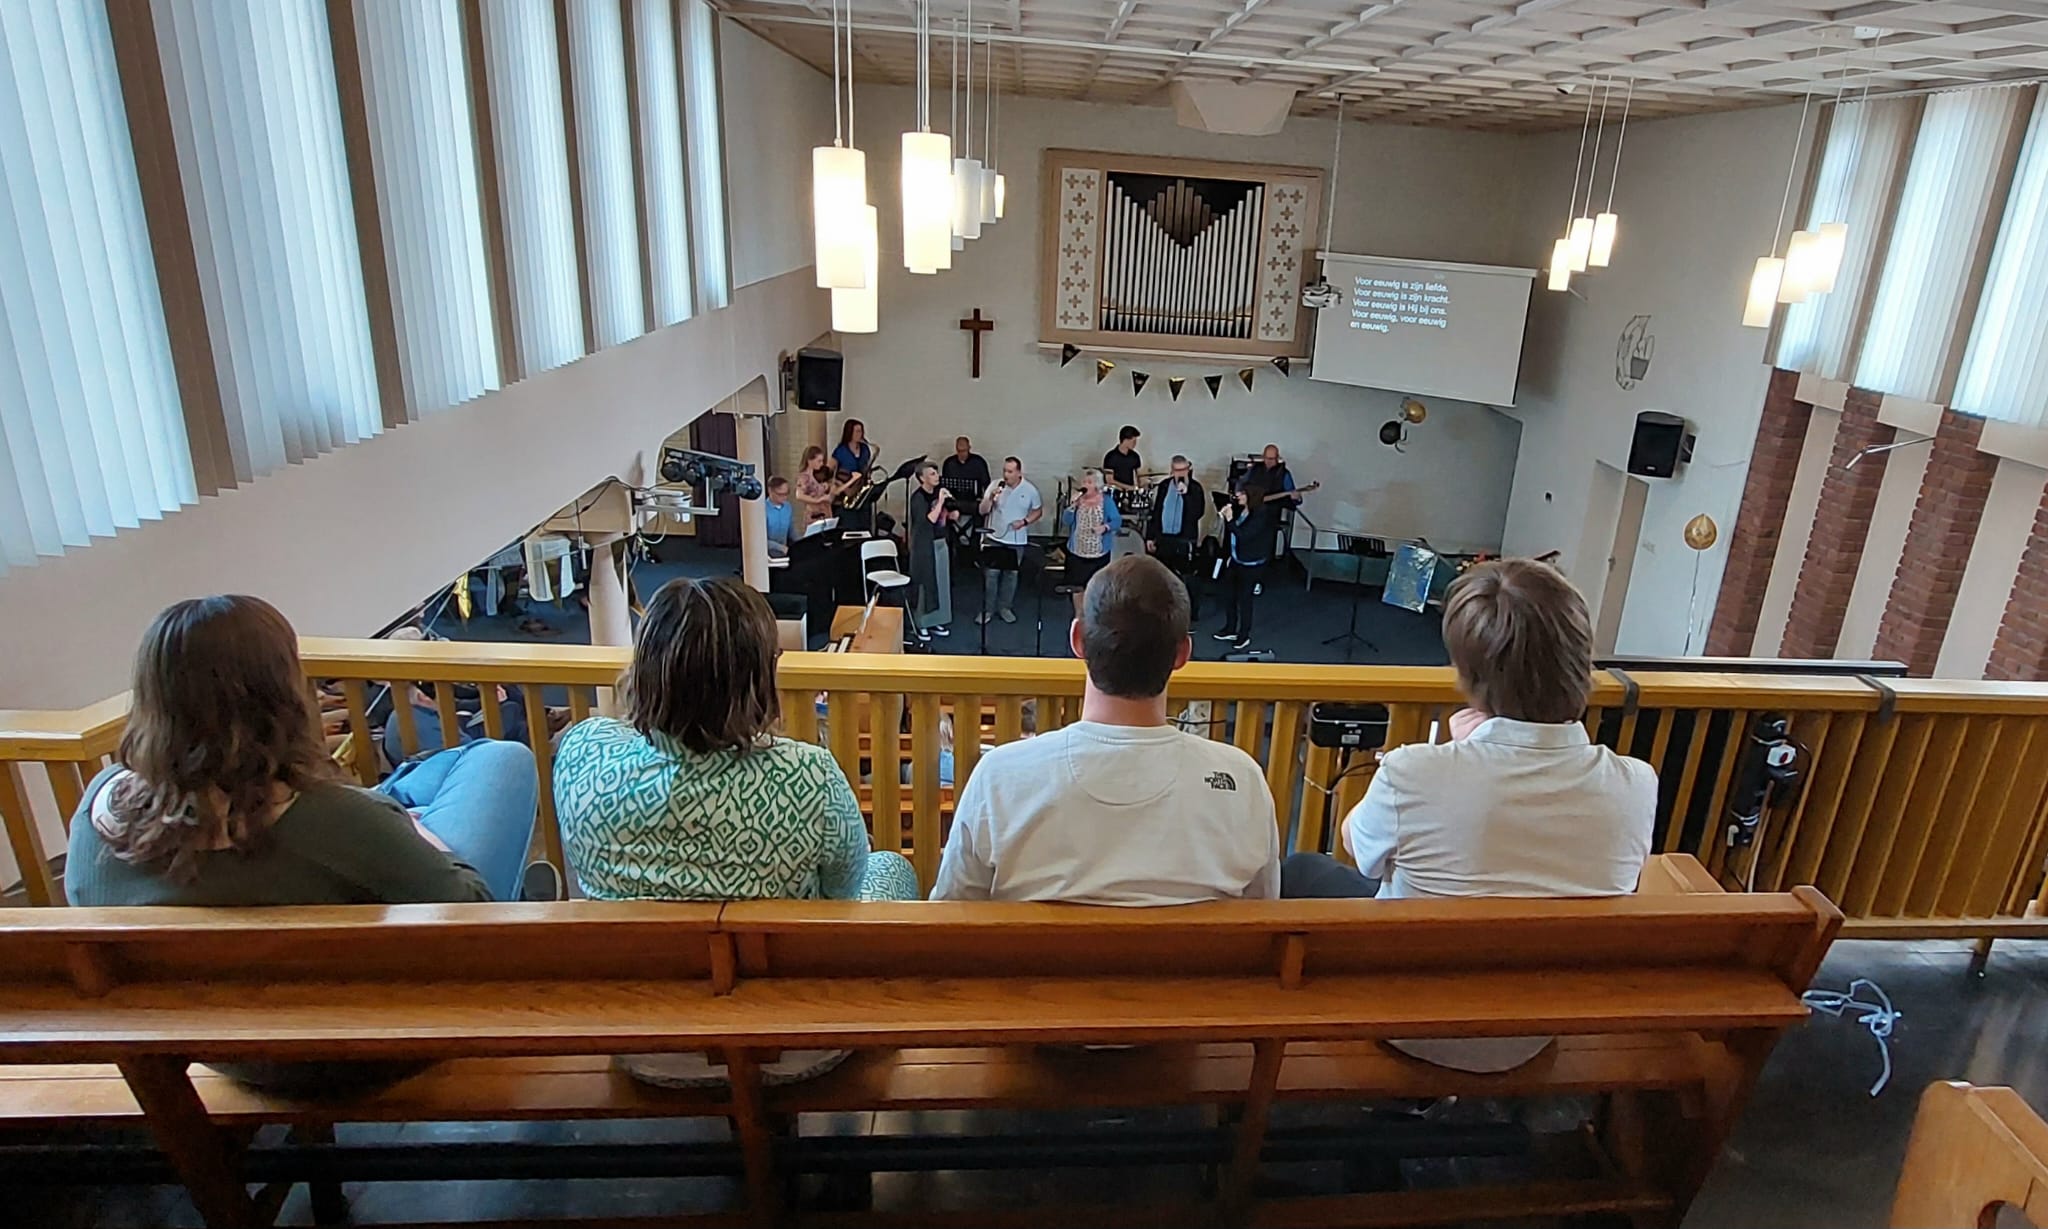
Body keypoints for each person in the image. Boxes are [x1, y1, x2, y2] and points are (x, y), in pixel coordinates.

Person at [66, 596, 544, 1090]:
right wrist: (409, 830)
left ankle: (401, 794)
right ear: (280, 692)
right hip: (368, 1054)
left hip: (215, 1050)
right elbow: (476, 916)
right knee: (502, 761)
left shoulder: (98, 814)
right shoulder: (333, 820)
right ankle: (407, 805)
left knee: (424, 785)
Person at [1281, 558, 1657, 1072]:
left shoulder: (1416, 771)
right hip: (1535, 1030)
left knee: (1302, 871)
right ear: (1579, 660)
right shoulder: (1636, 784)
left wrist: (1449, 758)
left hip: (1408, 1024)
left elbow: (1356, 847)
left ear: (1468, 676)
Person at [933, 555, 1280, 904]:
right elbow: (1263, 914)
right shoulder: (1244, 781)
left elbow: (951, 914)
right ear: (1182, 654)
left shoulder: (999, 777)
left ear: (1078, 640)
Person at [1214, 445, 1300, 651]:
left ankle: (1243, 635)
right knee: (1229, 594)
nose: (1238, 496)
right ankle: (1230, 628)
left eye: (1242, 494)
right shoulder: (1244, 509)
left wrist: (1229, 521)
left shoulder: (1260, 516)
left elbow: (1243, 535)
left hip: (1251, 562)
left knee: (1245, 599)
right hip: (1236, 558)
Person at [977, 456, 1043, 625]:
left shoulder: (1030, 490)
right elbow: (982, 510)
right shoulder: (995, 485)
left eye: (1010, 471)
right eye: (1005, 471)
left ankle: (1005, 608)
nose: (1006, 475)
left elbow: (1038, 511)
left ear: (1019, 472)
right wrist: (990, 498)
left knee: (1010, 575)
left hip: (1015, 540)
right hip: (994, 537)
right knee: (991, 575)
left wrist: (1025, 522)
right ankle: (988, 610)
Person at [1145, 454, 1206, 622]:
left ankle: (1191, 612)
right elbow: (1156, 512)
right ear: (1171, 470)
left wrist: (1186, 494)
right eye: (1177, 470)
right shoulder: (1164, 486)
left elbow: (1197, 513)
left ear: (1189, 469)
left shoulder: (1195, 488)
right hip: (1164, 537)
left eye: (1183, 470)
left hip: (1184, 539)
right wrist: (1150, 536)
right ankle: (1163, 609)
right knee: (1162, 574)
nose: (1180, 473)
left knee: (1187, 576)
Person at [1060, 469, 1122, 617]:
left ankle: (1093, 617)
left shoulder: (1106, 501)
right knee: (1077, 587)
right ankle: (1079, 616)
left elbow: (1117, 521)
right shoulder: (1078, 501)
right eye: (1084, 482)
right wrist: (1071, 507)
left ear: (1097, 486)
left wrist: (1105, 527)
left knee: (1096, 588)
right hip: (1077, 551)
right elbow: (1066, 521)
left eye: (1089, 482)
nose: (1085, 485)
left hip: (1098, 553)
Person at [907, 462, 956, 637]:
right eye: (932, 474)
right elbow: (928, 520)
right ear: (922, 478)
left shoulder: (937, 493)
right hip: (923, 546)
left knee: (941, 583)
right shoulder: (917, 498)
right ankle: (922, 623)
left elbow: (946, 514)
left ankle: (937, 620)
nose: (937, 476)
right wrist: (941, 501)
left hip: (940, 541)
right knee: (925, 584)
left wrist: (951, 513)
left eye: (936, 473)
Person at [794, 445, 839, 531]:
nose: (821, 464)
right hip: (814, 516)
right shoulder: (804, 477)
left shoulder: (815, 475)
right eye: (819, 461)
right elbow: (799, 495)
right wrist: (817, 500)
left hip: (824, 514)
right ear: (809, 461)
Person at [1101, 424, 1143, 491]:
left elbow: (1140, 476)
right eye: (1133, 441)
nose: (1135, 444)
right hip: (1115, 490)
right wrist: (1128, 487)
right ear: (1125, 440)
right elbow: (1109, 480)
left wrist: (1142, 485)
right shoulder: (1110, 456)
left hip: (1130, 492)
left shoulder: (1135, 456)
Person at [762, 476, 794, 557]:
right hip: (766, 555)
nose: (785, 497)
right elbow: (760, 539)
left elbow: (792, 531)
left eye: (786, 493)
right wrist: (780, 548)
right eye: (781, 494)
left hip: (784, 554)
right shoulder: (762, 509)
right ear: (770, 491)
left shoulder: (788, 507)